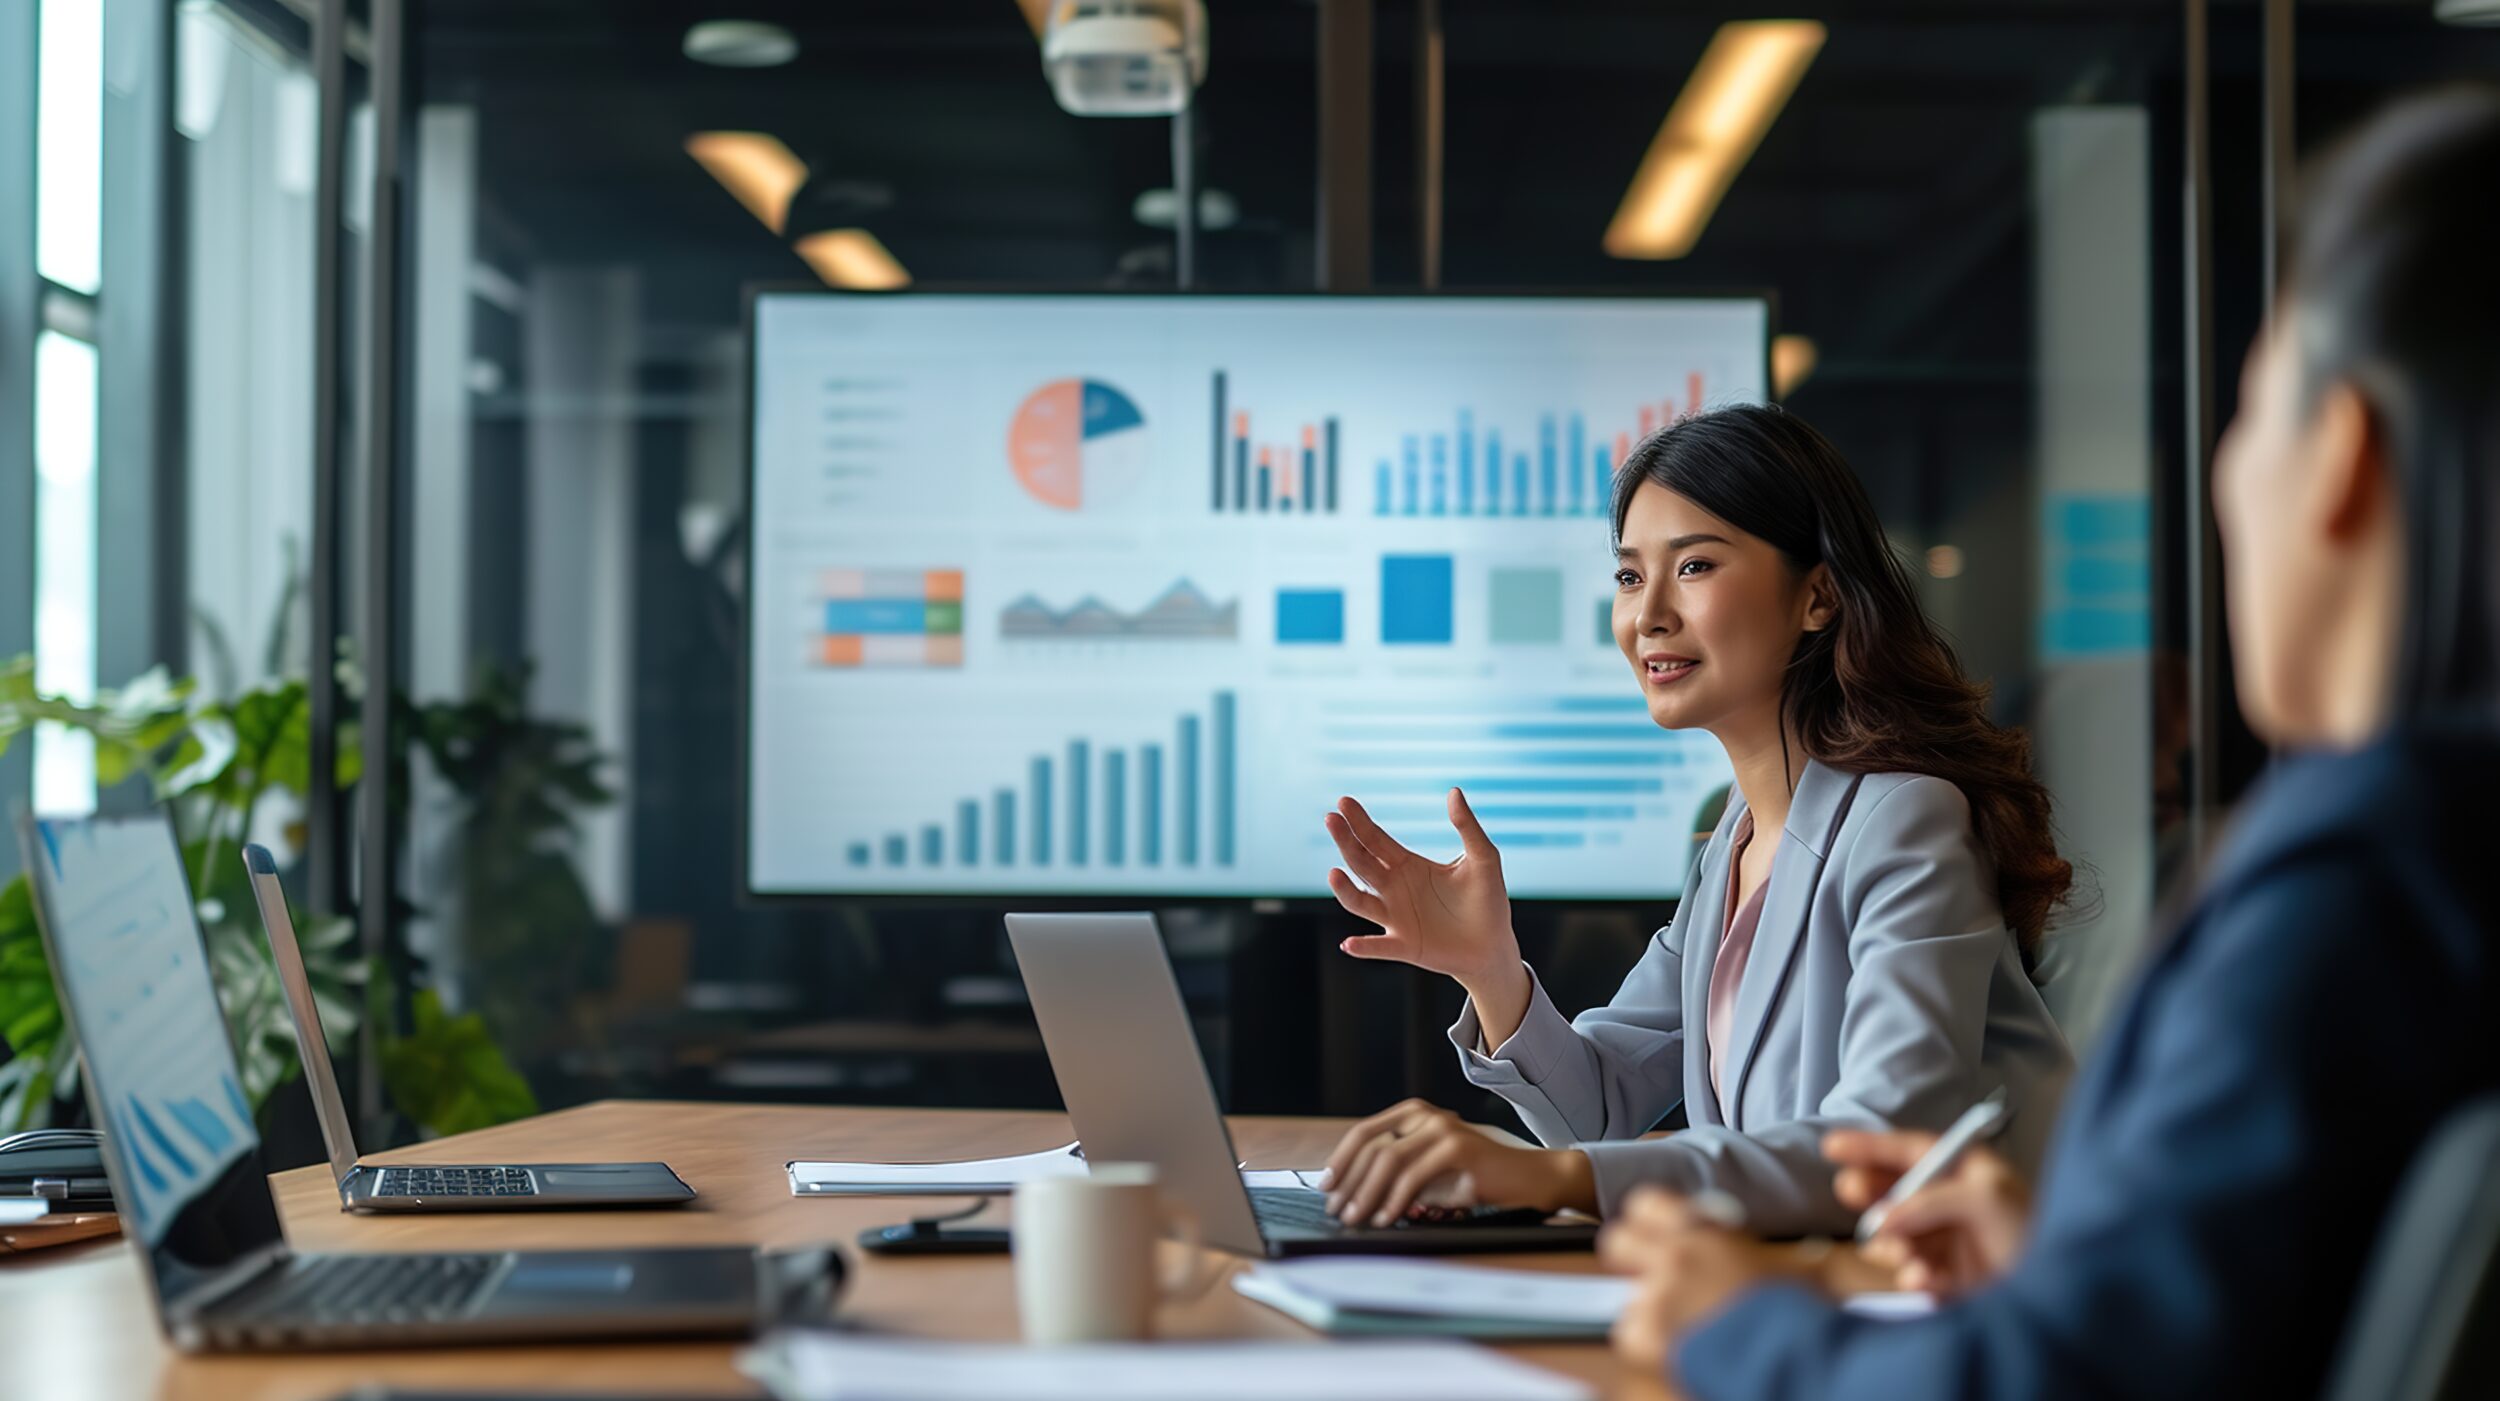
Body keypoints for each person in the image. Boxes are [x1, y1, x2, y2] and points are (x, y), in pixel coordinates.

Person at [1597, 87, 2500, 1400]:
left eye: (2250, 416)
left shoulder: (2356, 887)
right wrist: (2060, 1266)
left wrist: (1737, 1328)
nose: (2227, 482)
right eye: (1630, 574)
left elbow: (2065, 1379)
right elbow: (2231, 1315)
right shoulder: (2445, 861)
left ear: (2343, 459)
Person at [1316, 404, 2076, 1236]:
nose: (1649, 615)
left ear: (1818, 596)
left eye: (1695, 566)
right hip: (1792, 1278)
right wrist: (1491, 968)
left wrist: (1538, 1173)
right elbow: (1599, 1111)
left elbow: (1877, 1152)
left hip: (1963, 1292)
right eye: (1629, 576)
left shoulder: (1905, 820)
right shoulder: (1734, 843)